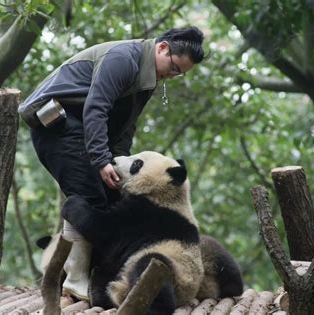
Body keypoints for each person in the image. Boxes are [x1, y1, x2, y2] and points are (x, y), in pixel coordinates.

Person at [19, 26, 206, 301]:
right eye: (175, 67)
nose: (173, 75)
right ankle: (75, 279)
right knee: (88, 197)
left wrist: (117, 166)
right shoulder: (123, 58)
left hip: (82, 131)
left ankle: (97, 282)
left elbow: (125, 127)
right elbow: (96, 107)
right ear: (163, 48)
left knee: (110, 200)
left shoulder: (147, 77)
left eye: (180, 74)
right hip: (56, 124)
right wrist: (101, 159)